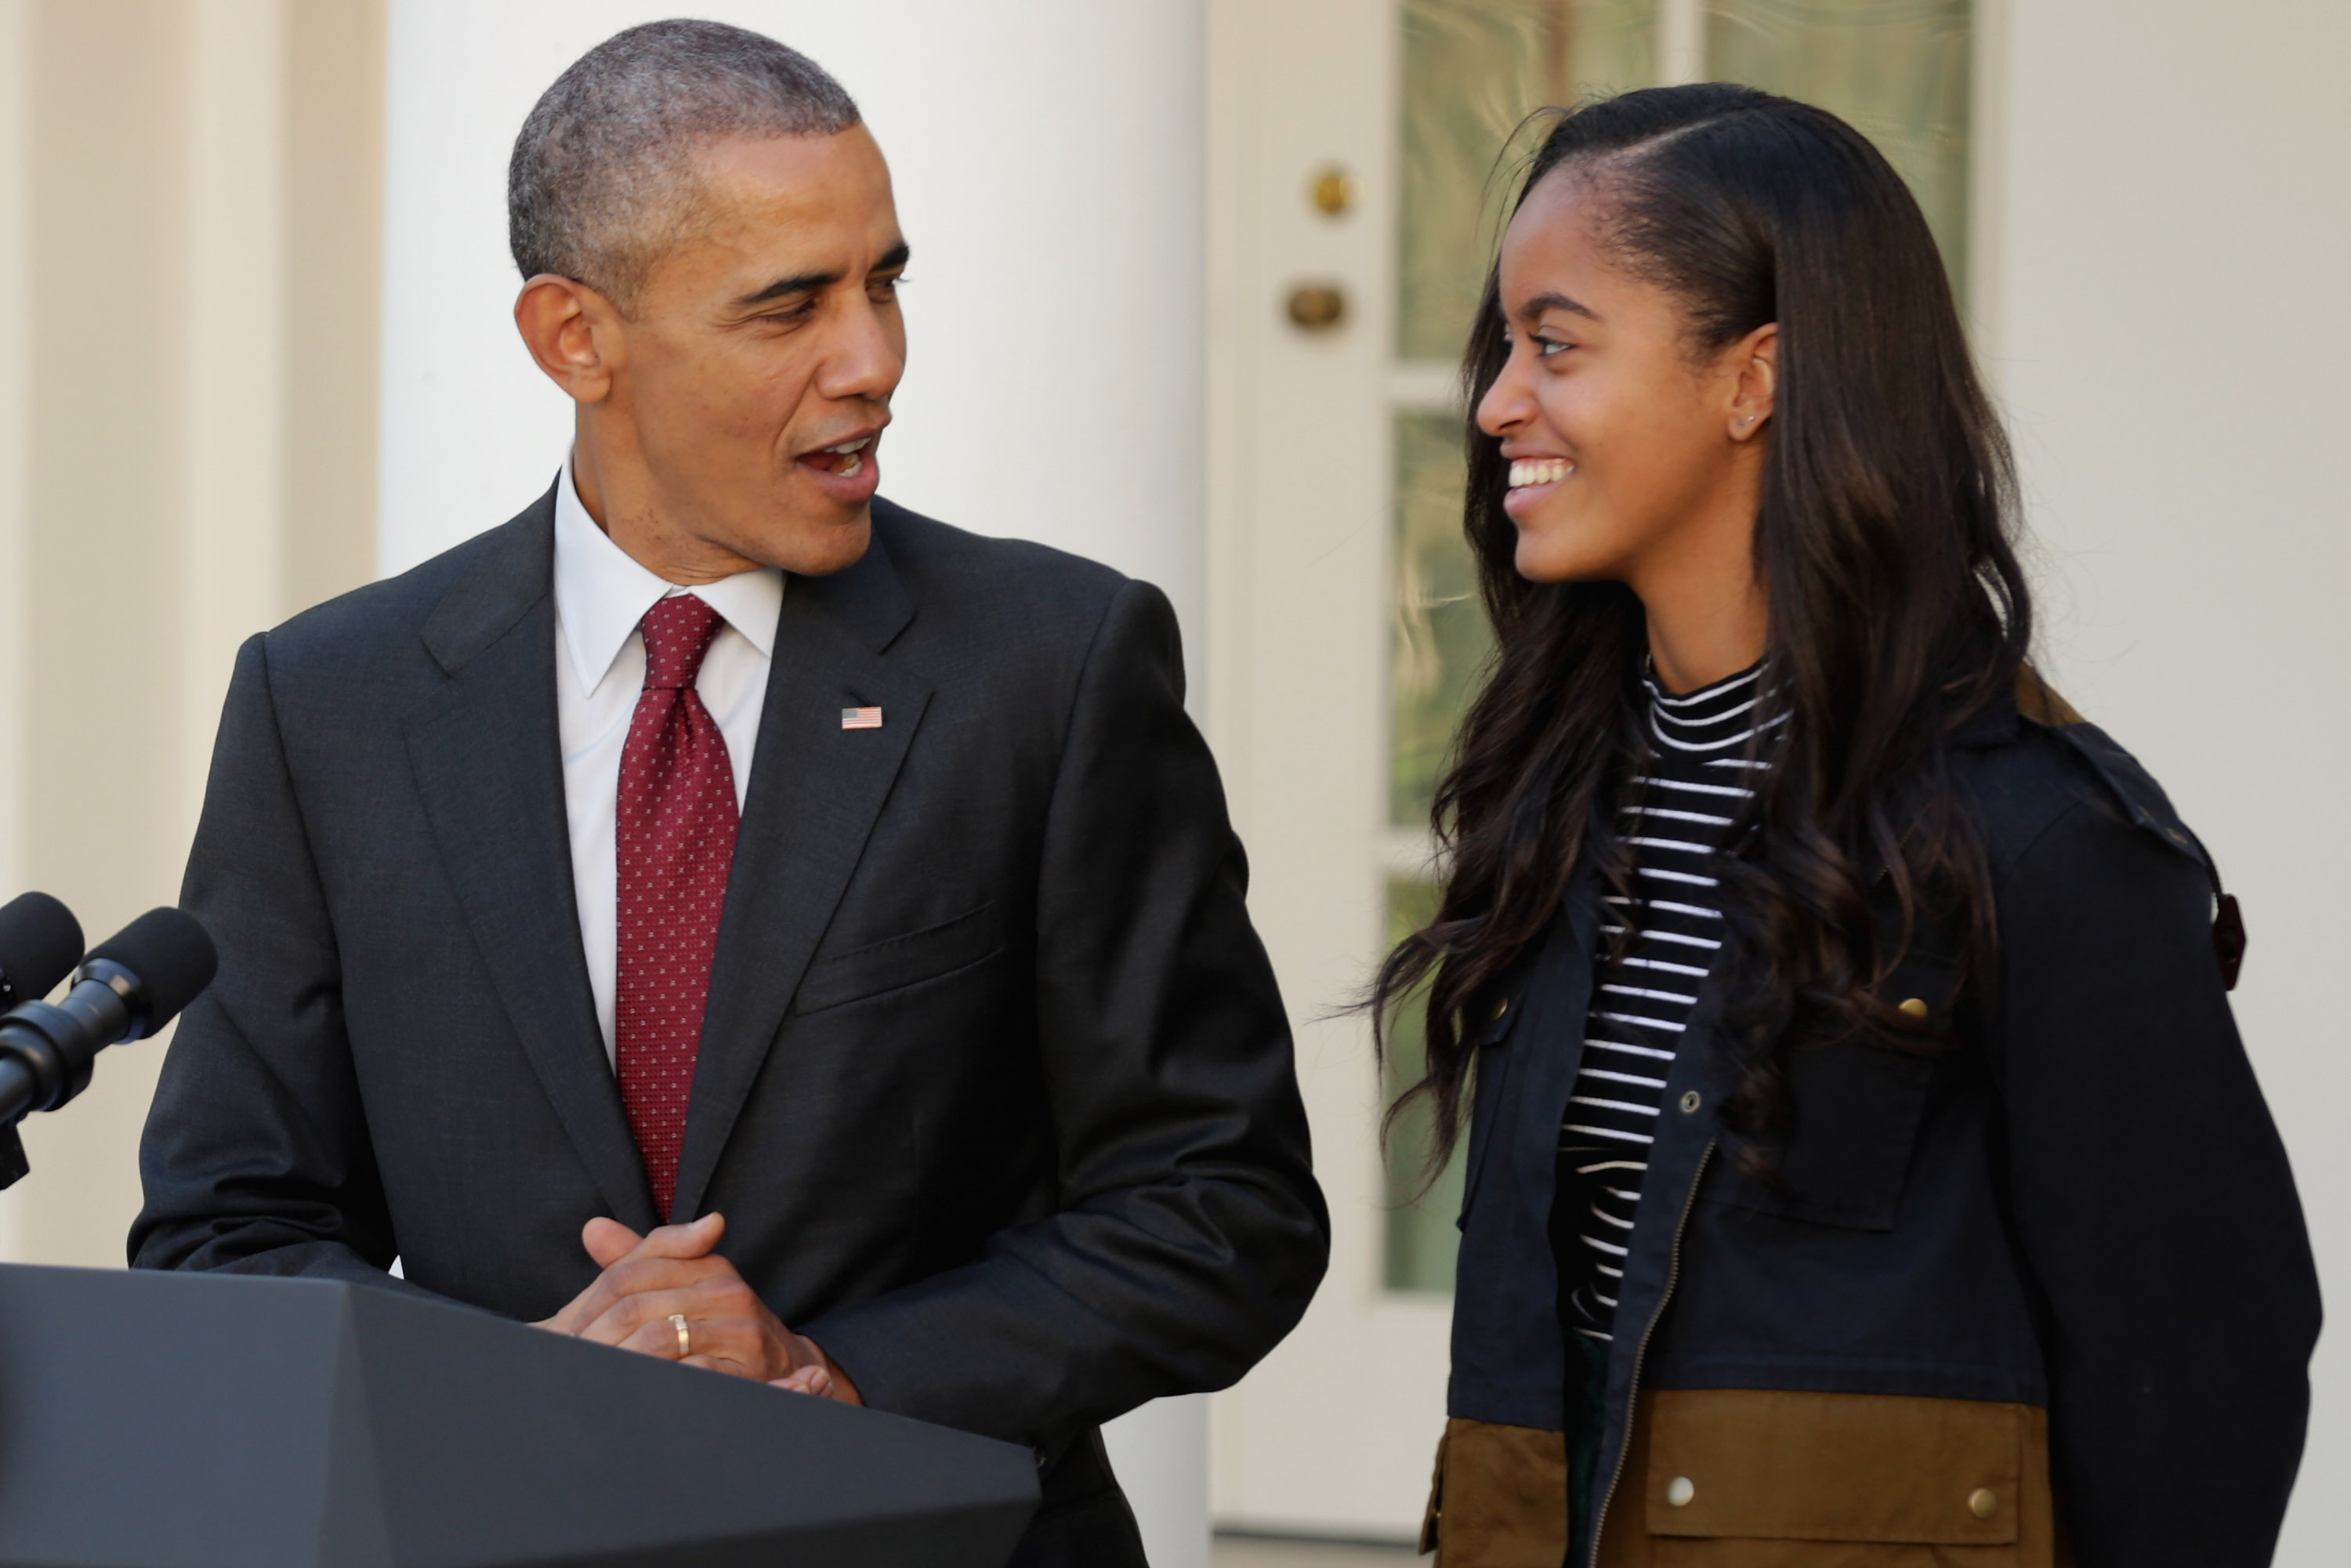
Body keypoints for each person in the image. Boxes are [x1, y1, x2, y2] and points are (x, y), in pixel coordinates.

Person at [132, 21, 1328, 1565]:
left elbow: (1221, 1205)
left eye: (886, 280)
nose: (875, 360)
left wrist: (834, 1379)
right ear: (577, 337)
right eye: (791, 306)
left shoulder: (1058, 662)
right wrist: (508, 1387)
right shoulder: (330, 702)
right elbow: (225, 1226)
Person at [1383, 85, 2320, 1567]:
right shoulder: (1559, 802)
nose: (1498, 398)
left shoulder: (2036, 835)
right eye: (1505, 347)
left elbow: (2208, 1364)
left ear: (1754, 377)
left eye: (1554, 345)